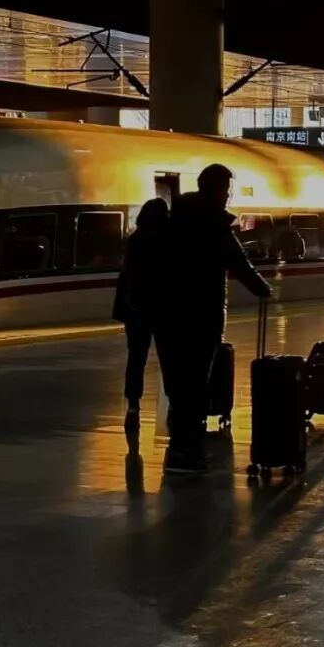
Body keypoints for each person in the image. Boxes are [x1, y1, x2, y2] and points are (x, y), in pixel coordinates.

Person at [157, 163, 271, 475]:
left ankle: (178, 448)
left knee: (178, 386)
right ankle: (187, 452)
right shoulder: (212, 223)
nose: (227, 196)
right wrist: (263, 289)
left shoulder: (174, 220)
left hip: (167, 317)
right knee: (195, 387)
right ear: (216, 189)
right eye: (226, 189)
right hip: (200, 317)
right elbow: (239, 263)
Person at [113, 198, 169, 432]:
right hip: (160, 310)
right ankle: (173, 401)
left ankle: (133, 405)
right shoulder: (165, 241)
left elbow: (126, 278)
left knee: (136, 359)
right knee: (168, 358)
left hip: (135, 311)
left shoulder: (134, 241)